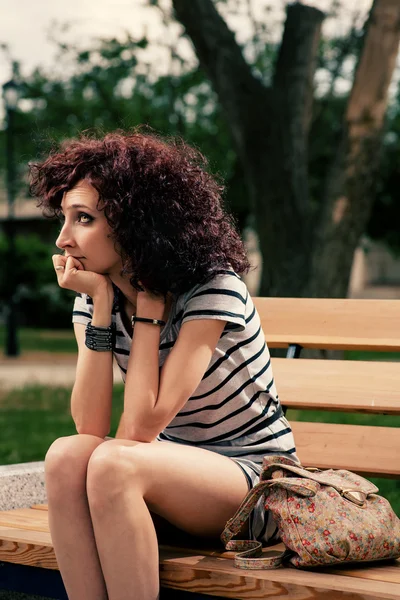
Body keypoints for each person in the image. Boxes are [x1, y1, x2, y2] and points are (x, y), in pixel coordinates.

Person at [30, 129, 298, 600]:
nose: (63, 238)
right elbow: (89, 425)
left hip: (256, 484)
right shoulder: (100, 294)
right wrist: (98, 304)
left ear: (135, 223)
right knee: (66, 455)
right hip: (167, 478)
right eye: (65, 218)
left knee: (115, 464)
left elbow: (139, 431)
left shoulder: (212, 289)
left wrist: (150, 312)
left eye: (83, 218)